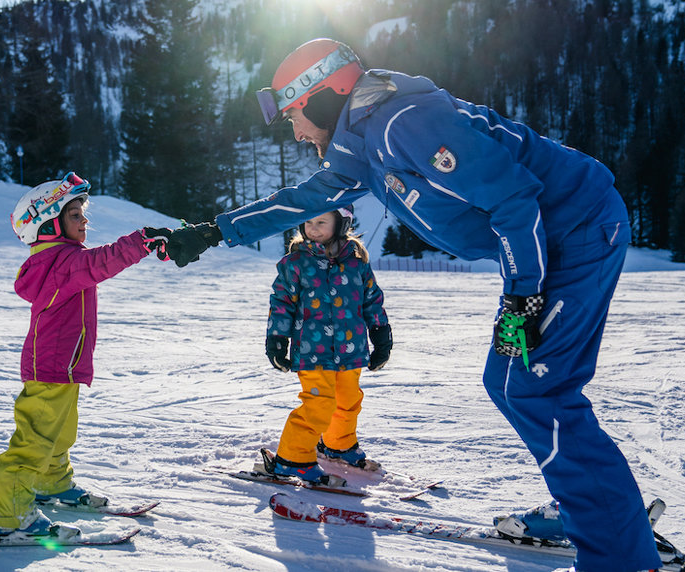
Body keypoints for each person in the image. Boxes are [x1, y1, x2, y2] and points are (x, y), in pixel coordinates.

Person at [164, 39, 659, 572]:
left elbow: (515, 199)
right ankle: (594, 512)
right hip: (552, 243)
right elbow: (304, 200)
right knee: (515, 384)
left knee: (536, 388)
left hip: (573, 233)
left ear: (325, 95)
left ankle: (618, 551)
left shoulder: (403, 121)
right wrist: (214, 231)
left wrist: (524, 294)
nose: (297, 132)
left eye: (295, 117)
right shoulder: (359, 144)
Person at [0, 171, 172, 537]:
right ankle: (7, 515)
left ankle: (52, 483)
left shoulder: (63, 259)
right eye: (74, 214)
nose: (85, 220)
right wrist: (141, 242)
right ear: (49, 224)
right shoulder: (60, 263)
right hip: (51, 367)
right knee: (34, 440)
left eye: (83, 213)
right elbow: (100, 262)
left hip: (63, 367)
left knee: (59, 434)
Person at [263, 206, 392, 486]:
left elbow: (371, 300)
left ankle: (338, 445)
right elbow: (282, 302)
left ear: (341, 224)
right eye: (308, 221)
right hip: (312, 349)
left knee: (348, 401)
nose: (313, 228)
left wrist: (381, 334)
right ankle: (291, 459)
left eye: (322, 221)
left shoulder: (356, 262)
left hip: (351, 349)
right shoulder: (295, 262)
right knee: (319, 404)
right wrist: (277, 339)